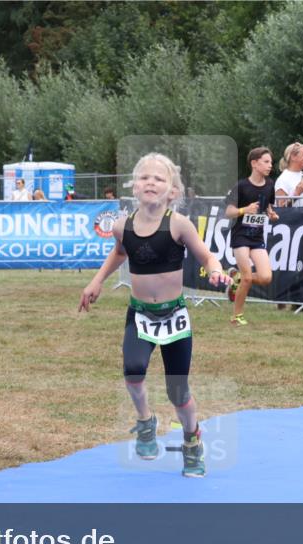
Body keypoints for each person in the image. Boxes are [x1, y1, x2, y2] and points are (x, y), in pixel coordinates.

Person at [79, 153, 230, 478]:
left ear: (172, 192)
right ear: (134, 186)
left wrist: (216, 272)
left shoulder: (178, 224)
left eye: (159, 179)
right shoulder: (122, 226)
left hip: (174, 317)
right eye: (145, 177)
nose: (151, 182)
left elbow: (206, 256)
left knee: (178, 391)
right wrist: (96, 281)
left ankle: (192, 440)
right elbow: (120, 252)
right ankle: (146, 421)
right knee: (133, 371)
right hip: (140, 315)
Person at [224, 147, 279, 326]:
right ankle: (236, 316)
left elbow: (267, 205)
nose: (270, 165)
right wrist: (244, 210)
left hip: (256, 237)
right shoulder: (241, 186)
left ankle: (236, 279)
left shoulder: (270, 185)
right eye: (266, 161)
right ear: (254, 163)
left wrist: (271, 213)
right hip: (240, 236)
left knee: (265, 277)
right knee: (248, 277)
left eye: (271, 162)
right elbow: (228, 212)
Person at [274, 141, 303, 207]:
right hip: (290, 217)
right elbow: (280, 207)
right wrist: (296, 194)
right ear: (293, 157)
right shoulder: (283, 179)